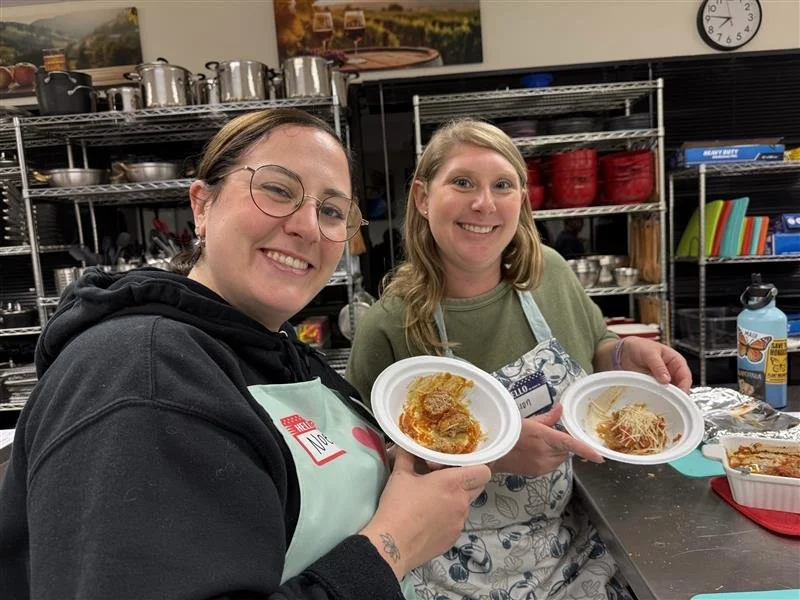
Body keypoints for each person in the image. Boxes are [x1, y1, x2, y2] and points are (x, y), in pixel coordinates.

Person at [0, 109, 492, 600]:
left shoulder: (272, 349)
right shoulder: (138, 378)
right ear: (202, 205)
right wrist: (395, 544)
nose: (307, 226)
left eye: (332, 211)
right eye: (278, 190)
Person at [346, 119, 692, 600]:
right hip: (451, 564)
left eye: (502, 185)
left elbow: (595, 343)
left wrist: (623, 351)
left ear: (521, 200)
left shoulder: (548, 274)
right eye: (462, 182)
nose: (484, 204)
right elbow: (367, 471)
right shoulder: (388, 325)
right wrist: (497, 452)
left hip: (572, 542)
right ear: (424, 198)